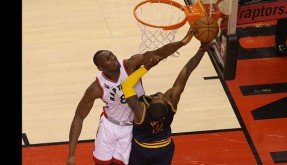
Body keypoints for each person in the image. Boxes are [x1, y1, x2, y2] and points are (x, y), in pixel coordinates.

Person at [65, 28, 194, 165]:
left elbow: (157, 54)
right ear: (100, 68)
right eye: (107, 59)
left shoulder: (131, 64)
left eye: (112, 55)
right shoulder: (96, 88)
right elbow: (79, 116)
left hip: (131, 126)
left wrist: (183, 42)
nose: (113, 59)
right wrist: (71, 155)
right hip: (110, 125)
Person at [121, 41, 210, 165]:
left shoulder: (140, 111)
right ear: (166, 104)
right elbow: (187, 71)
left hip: (143, 149)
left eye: (158, 97)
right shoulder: (171, 103)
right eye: (161, 97)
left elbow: (126, 85)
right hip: (164, 147)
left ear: (149, 105)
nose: (159, 94)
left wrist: (146, 67)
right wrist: (202, 50)